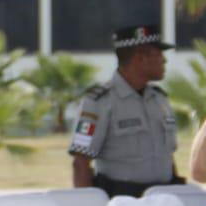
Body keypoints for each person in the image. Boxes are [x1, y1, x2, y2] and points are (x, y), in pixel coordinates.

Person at [70, 25, 183, 196]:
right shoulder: (99, 102)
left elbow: (167, 157)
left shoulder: (160, 99)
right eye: (159, 54)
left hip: (164, 201)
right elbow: (81, 162)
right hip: (123, 205)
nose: (164, 60)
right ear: (140, 58)